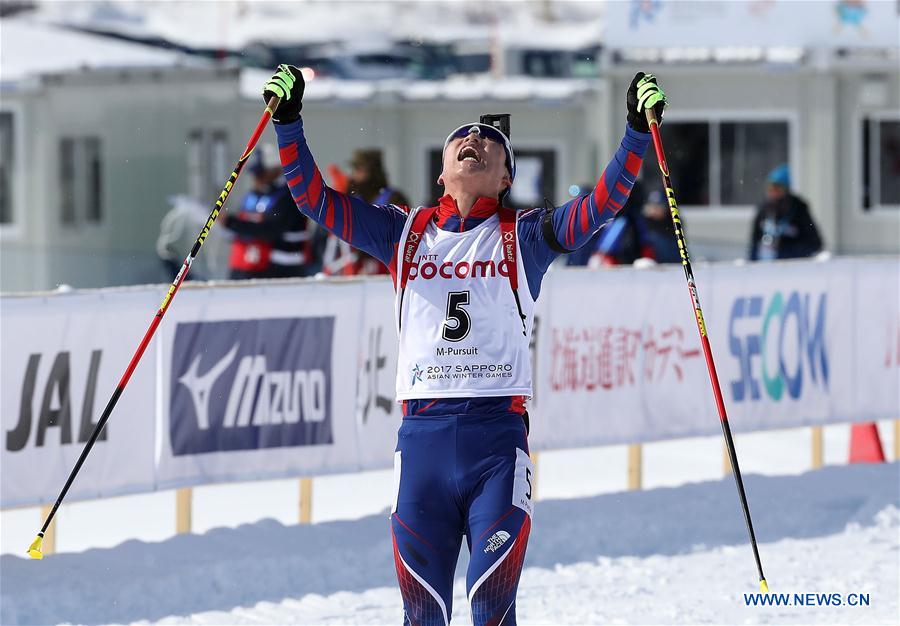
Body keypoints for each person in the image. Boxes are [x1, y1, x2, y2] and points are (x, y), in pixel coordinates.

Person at [261, 64, 666, 625]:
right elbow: (313, 200)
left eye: (490, 140)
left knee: (490, 607)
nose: (474, 138)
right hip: (421, 442)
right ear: (442, 172)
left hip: (495, 445)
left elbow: (601, 204)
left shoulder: (524, 234)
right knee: (423, 614)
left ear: (505, 178)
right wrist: (288, 121)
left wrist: (636, 132)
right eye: (461, 137)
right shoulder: (402, 232)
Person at [224, 143, 316, 279]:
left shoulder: (290, 195)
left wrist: (231, 223)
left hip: (285, 273)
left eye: (260, 173)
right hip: (253, 267)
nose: (256, 178)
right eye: (255, 173)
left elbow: (270, 230)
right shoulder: (256, 194)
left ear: (274, 170)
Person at [322, 148, 411, 275]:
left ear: (373, 172)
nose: (354, 175)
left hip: (387, 268)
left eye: (359, 170)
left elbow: (404, 237)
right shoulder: (353, 197)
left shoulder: (393, 198)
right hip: (355, 268)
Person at [749, 164, 823, 261]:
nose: (773, 193)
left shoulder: (799, 210)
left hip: (792, 265)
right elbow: (754, 245)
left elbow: (814, 244)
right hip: (765, 265)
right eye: (770, 189)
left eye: (778, 189)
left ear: (786, 190)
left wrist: (783, 253)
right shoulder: (763, 210)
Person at [642, 188, 682, 263]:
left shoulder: (673, 223)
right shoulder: (642, 224)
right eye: (652, 206)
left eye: (658, 206)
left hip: (673, 263)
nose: (655, 210)